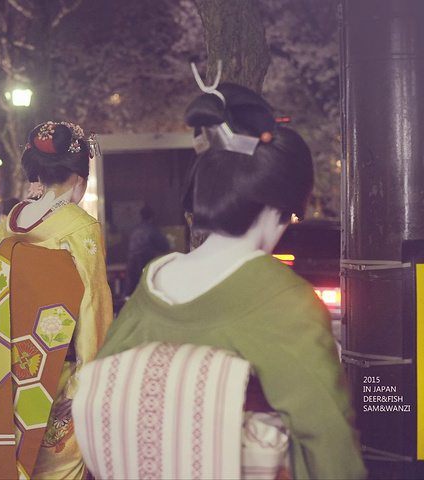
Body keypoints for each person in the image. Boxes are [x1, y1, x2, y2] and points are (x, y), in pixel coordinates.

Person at [93, 84, 366, 479]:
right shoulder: (283, 299)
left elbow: (102, 389)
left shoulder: (154, 283)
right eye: (291, 217)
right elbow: (328, 435)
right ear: (277, 207)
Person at [0, 121, 114, 480]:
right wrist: (84, 382)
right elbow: (94, 305)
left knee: (12, 468)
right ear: (80, 175)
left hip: (2, 377)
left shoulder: (6, 227)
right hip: (57, 373)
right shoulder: (80, 227)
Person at [125, 203, 170, 295]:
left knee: (133, 291)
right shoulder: (152, 229)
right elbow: (164, 246)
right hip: (146, 262)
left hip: (132, 263)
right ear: (152, 216)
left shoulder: (135, 229)